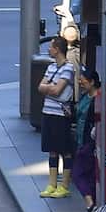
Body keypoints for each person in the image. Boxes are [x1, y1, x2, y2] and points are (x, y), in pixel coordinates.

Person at [37, 35, 76, 198]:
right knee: (52, 149)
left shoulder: (68, 68)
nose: (48, 49)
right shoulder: (51, 67)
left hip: (61, 114)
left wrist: (50, 88)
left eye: (51, 47)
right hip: (48, 112)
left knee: (65, 149)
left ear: (58, 49)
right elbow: (40, 87)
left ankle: (64, 185)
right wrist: (50, 88)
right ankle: (52, 184)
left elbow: (57, 90)